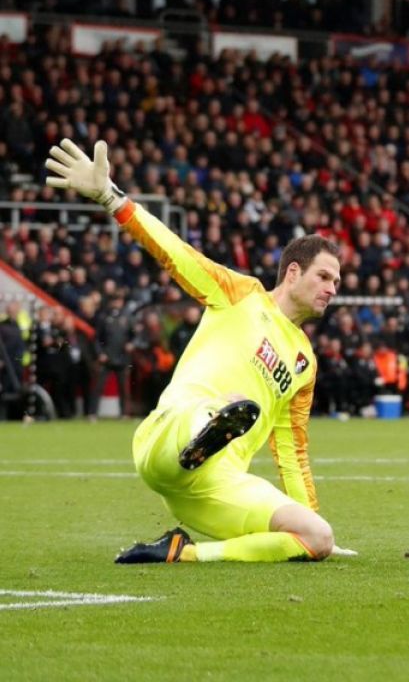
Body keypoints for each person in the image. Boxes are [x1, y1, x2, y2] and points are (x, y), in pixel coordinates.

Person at [46, 138, 349, 564]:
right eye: (325, 277)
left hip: (215, 486)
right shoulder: (241, 295)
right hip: (166, 443)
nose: (333, 289)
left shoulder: (304, 363)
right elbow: (175, 253)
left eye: (337, 282)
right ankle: (208, 427)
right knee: (213, 410)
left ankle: (183, 553)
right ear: (294, 272)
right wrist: (110, 197)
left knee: (316, 537)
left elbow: (290, 450)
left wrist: (307, 517)